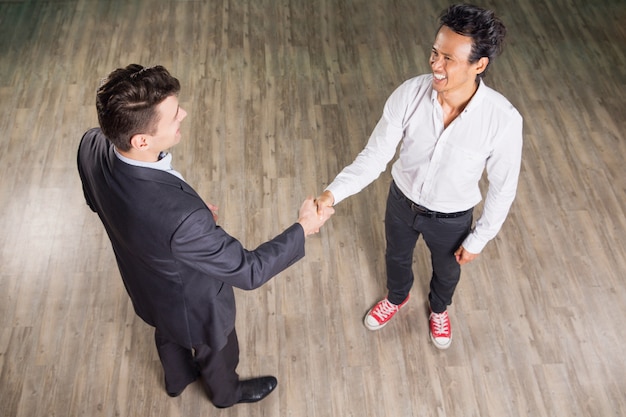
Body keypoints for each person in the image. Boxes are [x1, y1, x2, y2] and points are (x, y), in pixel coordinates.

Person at [77, 64, 334, 407]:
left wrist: (174, 231)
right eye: (173, 116)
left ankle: (177, 380)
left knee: (168, 335)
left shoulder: (92, 145)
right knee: (218, 351)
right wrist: (305, 226)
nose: (184, 113)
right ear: (141, 140)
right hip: (197, 306)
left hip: (146, 290)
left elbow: (99, 203)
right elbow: (250, 270)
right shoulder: (185, 221)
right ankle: (226, 395)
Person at [316, 4, 522, 349]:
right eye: (434, 52)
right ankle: (397, 297)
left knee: (447, 271)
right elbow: (375, 157)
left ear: (479, 65)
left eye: (448, 59)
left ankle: (439, 309)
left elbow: (503, 189)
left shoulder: (503, 120)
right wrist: (330, 194)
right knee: (395, 257)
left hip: (452, 219)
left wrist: (479, 238)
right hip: (402, 202)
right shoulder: (408, 94)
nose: (435, 66)